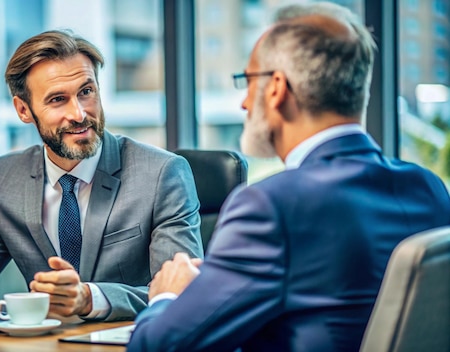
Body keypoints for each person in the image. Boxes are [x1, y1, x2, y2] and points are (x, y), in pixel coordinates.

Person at [126, 2, 450, 351]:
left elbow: (156, 346)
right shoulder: (427, 187)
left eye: (248, 82)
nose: (244, 103)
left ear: (277, 88)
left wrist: (167, 296)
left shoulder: (271, 207)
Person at [0, 29, 203, 322]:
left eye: (86, 92)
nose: (80, 114)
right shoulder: (4, 178)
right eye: (58, 99)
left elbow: (180, 293)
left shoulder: (161, 174)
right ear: (23, 110)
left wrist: (89, 298)